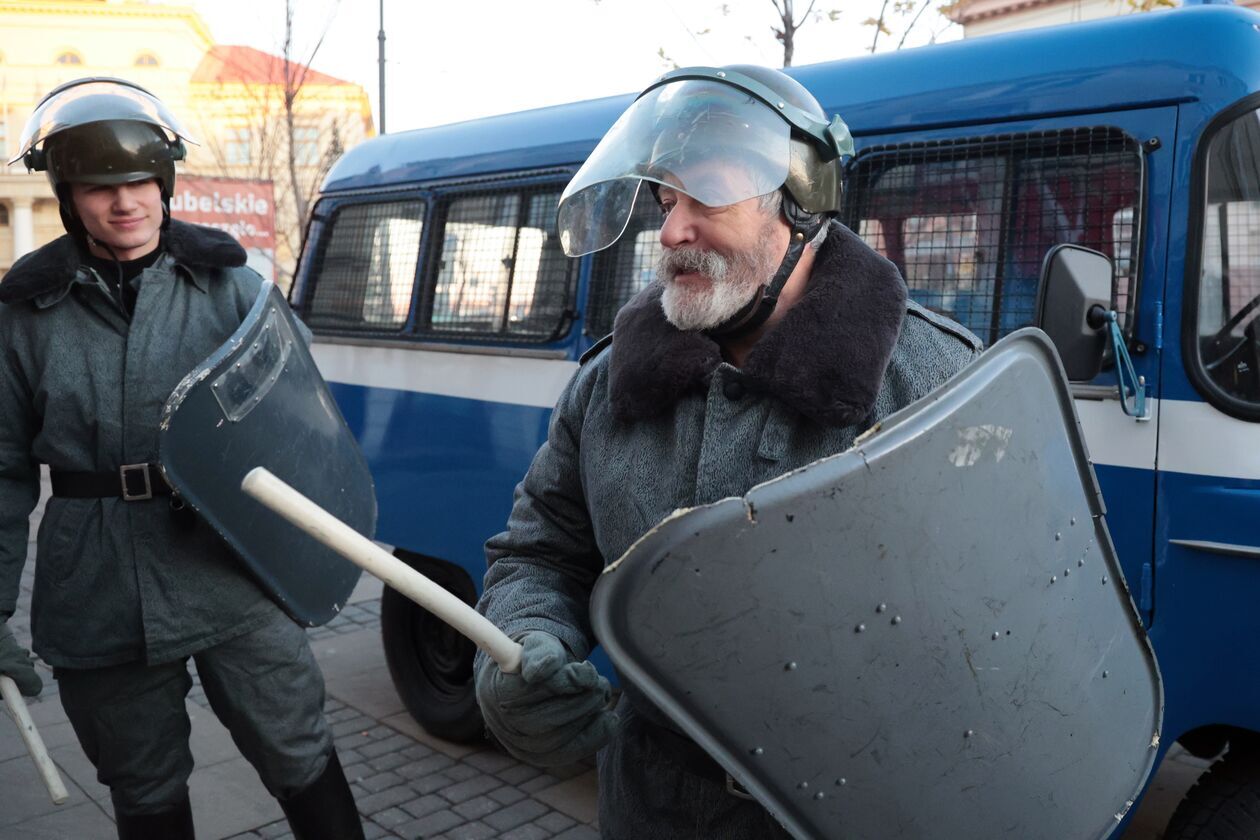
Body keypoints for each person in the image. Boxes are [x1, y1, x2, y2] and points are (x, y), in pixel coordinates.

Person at [473, 65, 984, 837]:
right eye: (667, 199)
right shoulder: (609, 385)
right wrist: (521, 650)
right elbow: (542, 553)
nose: (673, 230)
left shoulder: (939, 381)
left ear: (801, 203)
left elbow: (997, 628)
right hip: (651, 808)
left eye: (705, 192)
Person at [0, 78, 363, 840]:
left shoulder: (233, 289)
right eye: (99, 187)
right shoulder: (24, 316)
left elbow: (303, 431)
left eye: (139, 180)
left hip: (230, 567)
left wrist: (308, 560)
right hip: (96, 585)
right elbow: (0, 468)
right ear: (68, 196)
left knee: (299, 749)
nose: (124, 202)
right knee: (144, 786)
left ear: (163, 183)